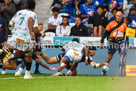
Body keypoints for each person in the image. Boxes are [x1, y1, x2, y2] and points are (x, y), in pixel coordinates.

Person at [0, 0, 43, 79]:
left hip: (15, 37)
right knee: (28, 55)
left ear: (26, 5)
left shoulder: (19, 12)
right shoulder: (33, 14)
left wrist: (13, 31)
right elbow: (36, 30)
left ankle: (5, 53)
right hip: (25, 38)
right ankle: (27, 74)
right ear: (34, 7)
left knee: (6, 50)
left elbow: (10, 24)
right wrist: (41, 34)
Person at [99, 11, 128, 75]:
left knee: (123, 57)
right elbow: (105, 33)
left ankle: (123, 71)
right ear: (115, 16)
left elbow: (127, 35)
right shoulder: (111, 24)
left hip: (121, 43)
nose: (118, 17)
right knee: (109, 58)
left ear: (121, 17)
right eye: (117, 16)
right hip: (113, 43)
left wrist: (127, 44)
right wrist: (102, 41)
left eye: (119, 16)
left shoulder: (124, 24)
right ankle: (104, 71)